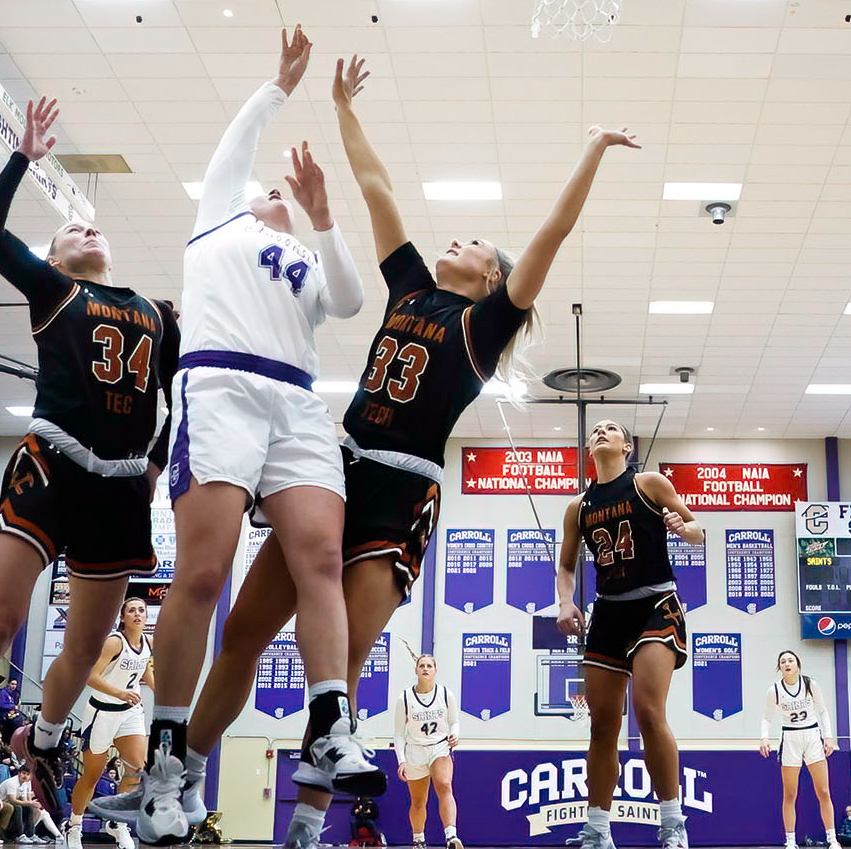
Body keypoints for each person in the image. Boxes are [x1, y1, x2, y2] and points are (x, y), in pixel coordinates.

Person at [115, 53, 626, 849]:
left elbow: (552, 235)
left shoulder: (483, 326)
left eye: (474, 246)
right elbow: (378, 189)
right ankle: (174, 780)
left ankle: (310, 826)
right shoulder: (413, 286)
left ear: (491, 277)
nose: (453, 240)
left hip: (401, 492)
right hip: (334, 464)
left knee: (342, 662)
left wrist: (590, 150)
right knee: (244, 630)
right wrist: (343, 107)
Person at [0, 94, 180, 841]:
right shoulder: (55, 291)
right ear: (53, 261)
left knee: (83, 643)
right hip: (49, 465)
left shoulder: (157, 313)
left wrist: (153, 469)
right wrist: (21, 156)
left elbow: (177, 401)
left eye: (91, 224)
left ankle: (47, 740)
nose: (83, 226)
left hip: (119, 487)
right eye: (67, 230)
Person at [120, 26, 373, 849]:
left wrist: (327, 216)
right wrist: (278, 89)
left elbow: (350, 302)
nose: (274, 191)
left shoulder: (302, 259)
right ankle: (164, 757)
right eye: (266, 189)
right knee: (201, 574)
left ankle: (333, 719)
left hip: (296, 402)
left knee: (322, 562)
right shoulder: (216, 224)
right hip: (221, 387)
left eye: (282, 194)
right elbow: (235, 152)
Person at [557, 420, 706, 849]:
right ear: (589, 447)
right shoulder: (578, 507)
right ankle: (598, 829)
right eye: (596, 429)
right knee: (602, 725)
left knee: (646, 709)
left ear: (627, 446)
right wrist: (566, 602)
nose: (602, 431)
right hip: (608, 610)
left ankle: (673, 822)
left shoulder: (649, 483)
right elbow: (566, 567)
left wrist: (684, 529)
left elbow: (698, 530)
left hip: (656, 603)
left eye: (612, 428)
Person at [68, 599, 154, 849]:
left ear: (146, 616)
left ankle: (117, 823)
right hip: (102, 712)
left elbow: (146, 675)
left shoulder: (148, 643)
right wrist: (118, 693)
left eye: (141, 610)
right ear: (123, 616)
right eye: (132, 610)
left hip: (130, 713)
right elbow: (90, 677)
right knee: (92, 776)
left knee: (137, 769)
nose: (137, 614)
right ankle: (74, 826)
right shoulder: (115, 642)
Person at [759, 651, 838, 849]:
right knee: (790, 794)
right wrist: (764, 738)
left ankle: (832, 839)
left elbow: (822, 711)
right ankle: (791, 841)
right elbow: (767, 718)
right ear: (780, 667)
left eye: (790, 660)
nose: (787, 663)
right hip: (790, 738)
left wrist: (828, 736)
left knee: (823, 791)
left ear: (797, 664)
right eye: (783, 661)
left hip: (812, 735)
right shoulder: (774, 690)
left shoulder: (810, 684)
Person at [392, 654, 460, 849]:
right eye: (421, 665)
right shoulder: (404, 698)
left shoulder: (446, 694)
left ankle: (451, 836)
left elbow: (454, 721)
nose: (425, 668)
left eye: (429, 665)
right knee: (418, 801)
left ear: (435, 670)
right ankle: (419, 839)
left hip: (439, 746)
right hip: (415, 750)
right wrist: (401, 760)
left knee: (444, 785)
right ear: (416, 670)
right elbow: (398, 733)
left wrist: (454, 734)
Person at [0, 765, 61, 844]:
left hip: (11, 803)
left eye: (28, 774)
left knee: (28, 808)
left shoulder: (24, 783)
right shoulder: (12, 782)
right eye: (23, 773)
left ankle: (30, 834)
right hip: (2, 802)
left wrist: (32, 804)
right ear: (19, 773)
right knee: (18, 807)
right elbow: (12, 799)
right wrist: (31, 803)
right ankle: (19, 835)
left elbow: (25, 800)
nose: (25, 776)